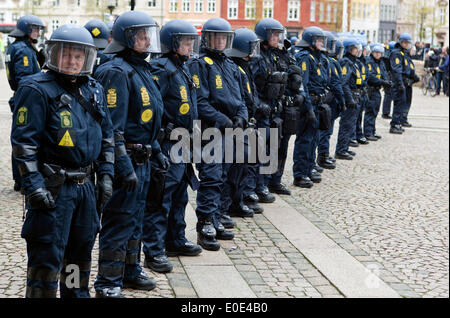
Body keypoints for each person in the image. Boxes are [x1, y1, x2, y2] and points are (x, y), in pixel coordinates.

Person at [11, 24, 114, 298]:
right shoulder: (35, 89)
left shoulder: (94, 89)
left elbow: (107, 136)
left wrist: (106, 175)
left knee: (78, 259)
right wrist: (33, 187)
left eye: (79, 56)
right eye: (66, 54)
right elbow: (24, 144)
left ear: (87, 58)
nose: (72, 61)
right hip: (54, 188)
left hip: (85, 189)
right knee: (46, 260)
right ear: (54, 54)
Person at [93, 10, 164, 298]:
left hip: (143, 159)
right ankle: (108, 282)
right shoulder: (116, 71)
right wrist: (122, 165)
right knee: (119, 220)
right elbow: (112, 127)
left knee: (135, 219)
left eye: (149, 34)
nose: (148, 40)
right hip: (127, 161)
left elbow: (148, 120)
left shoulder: (141, 68)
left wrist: (156, 151)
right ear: (127, 37)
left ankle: (130, 270)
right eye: (142, 35)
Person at [142, 19, 203, 274]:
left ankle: (175, 239)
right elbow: (154, 107)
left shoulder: (182, 67)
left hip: (184, 141)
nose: (190, 46)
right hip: (168, 143)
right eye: (186, 42)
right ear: (172, 43)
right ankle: (154, 251)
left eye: (191, 41)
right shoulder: (162, 68)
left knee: (180, 195)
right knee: (161, 198)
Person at [188, 17, 248, 251]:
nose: (221, 42)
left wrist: (241, 117)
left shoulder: (231, 65)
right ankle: (205, 224)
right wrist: (223, 120)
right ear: (207, 39)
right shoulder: (200, 64)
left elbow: (240, 98)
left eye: (224, 37)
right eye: (217, 37)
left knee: (227, 175)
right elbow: (199, 101)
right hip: (211, 130)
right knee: (212, 177)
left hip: (232, 129)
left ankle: (217, 216)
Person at [251, 18, 294, 195]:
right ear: (264, 35)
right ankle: (258, 186)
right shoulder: (256, 56)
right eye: (274, 34)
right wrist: (258, 105)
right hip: (261, 110)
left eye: (279, 34)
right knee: (260, 150)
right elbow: (250, 84)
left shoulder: (274, 55)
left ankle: (267, 182)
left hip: (274, 109)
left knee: (273, 148)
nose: (278, 38)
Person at [227, 27, 265, 215]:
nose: (253, 52)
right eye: (250, 48)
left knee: (246, 165)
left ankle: (240, 199)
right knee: (236, 168)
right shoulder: (235, 69)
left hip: (249, 122)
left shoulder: (245, 68)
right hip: (239, 124)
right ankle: (233, 203)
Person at [5, 14, 45, 192]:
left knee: (21, 137)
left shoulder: (16, 47)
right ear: (26, 30)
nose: (37, 32)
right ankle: (22, 179)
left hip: (20, 96)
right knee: (26, 139)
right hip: (27, 98)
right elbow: (24, 78)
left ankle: (19, 179)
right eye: (35, 29)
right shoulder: (24, 50)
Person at [293, 26, 328, 188]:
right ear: (311, 41)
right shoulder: (305, 58)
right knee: (305, 141)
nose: (322, 43)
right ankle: (300, 174)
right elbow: (303, 85)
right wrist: (308, 109)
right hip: (308, 105)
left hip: (317, 103)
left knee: (313, 140)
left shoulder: (317, 57)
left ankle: (308, 169)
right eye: (319, 40)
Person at [317, 34, 347, 170]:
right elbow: (336, 83)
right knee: (325, 130)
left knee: (325, 130)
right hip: (329, 100)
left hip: (327, 99)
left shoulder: (327, 60)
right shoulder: (330, 61)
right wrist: (342, 100)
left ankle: (323, 155)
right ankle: (322, 155)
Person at [334, 38, 363, 160]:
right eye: (355, 49)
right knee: (346, 124)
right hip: (350, 96)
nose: (357, 51)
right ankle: (341, 150)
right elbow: (344, 83)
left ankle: (344, 147)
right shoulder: (346, 62)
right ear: (349, 49)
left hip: (355, 96)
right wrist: (349, 99)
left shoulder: (354, 62)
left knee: (351, 124)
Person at [389, 33, 418, 134]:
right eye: (405, 43)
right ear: (401, 42)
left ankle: (398, 123)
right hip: (399, 82)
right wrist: (400, 83)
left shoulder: (404, 53)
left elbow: (408, 68)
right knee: (398, 104)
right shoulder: (396, 53)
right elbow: (397, 70)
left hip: (405, 82)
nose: (407, 45)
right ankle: (394, 125)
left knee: (402, 103)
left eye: (408, 43)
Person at [364, 43, 392, 140]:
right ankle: (367, 132)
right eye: (376, 53)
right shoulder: (369, 61)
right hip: (370, 89)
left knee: (375, 111)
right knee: (370, 111)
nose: (378, 55)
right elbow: (370, 76)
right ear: (372, 52)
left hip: (377, 89)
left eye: (379, 53)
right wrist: (382, 82)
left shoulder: (380, 62)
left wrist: (387, 81)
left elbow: (384, 73)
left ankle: (372, 130)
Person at [381, 41, 396, 119]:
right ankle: (385, 113)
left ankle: (386, 112)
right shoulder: (388, 56)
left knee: (388, 95)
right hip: (389, 77)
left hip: (387, 77)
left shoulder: (386, 55)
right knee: (388, 95)